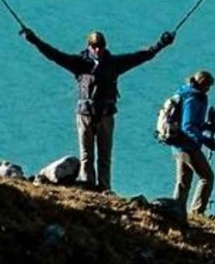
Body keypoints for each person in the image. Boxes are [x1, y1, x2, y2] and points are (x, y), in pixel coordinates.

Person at [20, 26, 174, 192]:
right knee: (87, 156)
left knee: (104, 157)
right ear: (89, 46)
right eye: (94, 46)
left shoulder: (114, 63)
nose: (98, 49)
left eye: (101, 46)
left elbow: (143, 56)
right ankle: (88, 187)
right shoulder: (79, 63)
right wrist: (34, 40)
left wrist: (162, 43)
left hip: (106, 115)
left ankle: (105, 188)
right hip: (85, 115)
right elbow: (54, 55)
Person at [171, 70, 215, 215]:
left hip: (178, 144)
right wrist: (205, 140)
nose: (209, 90)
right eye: (208, 86)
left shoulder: (185, 93)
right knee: (207, 177)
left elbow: (192, 123)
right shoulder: (193, 98)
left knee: (183, 182)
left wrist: (207, 125)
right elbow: (188, 126)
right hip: (187, 146)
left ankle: (176, 210)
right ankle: (197, 211)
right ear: (203, 83)